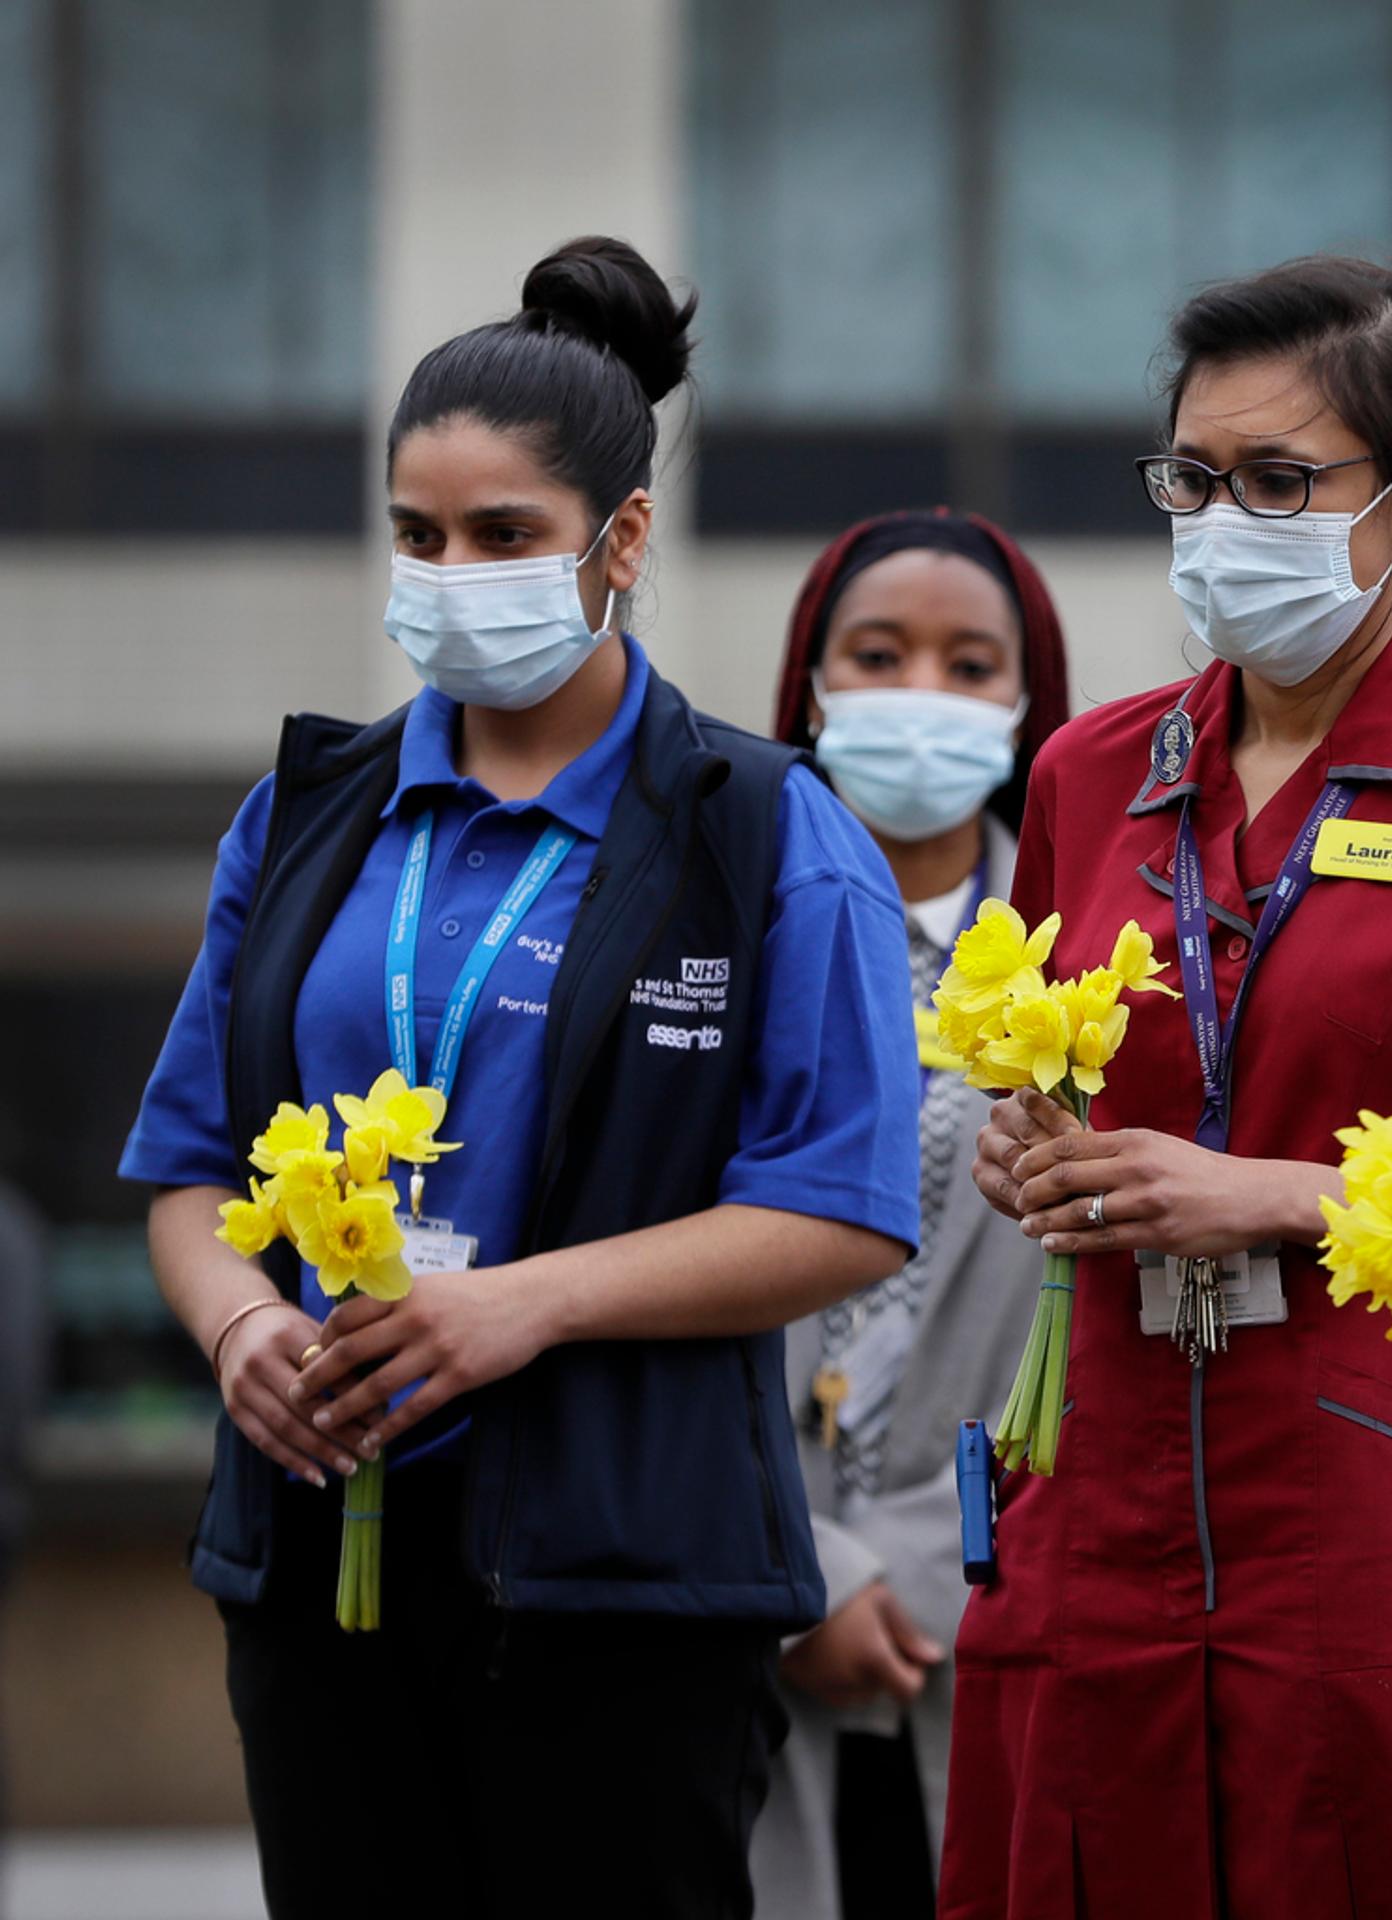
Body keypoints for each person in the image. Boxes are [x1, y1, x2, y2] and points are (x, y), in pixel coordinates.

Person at [115, 237, 923, 1920]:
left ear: (621, 540)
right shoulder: (305, 815)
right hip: (314, 1565)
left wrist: (522, 1308)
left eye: (501, 535)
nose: (449, 574)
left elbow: (843, 1208)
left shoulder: (768, 834)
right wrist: (243, 1327)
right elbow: (191, 1163)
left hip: (629, 1581)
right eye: (416, 535)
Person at [936, 255, 1392, 1920]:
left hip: (1351, 1506)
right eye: (1194, 481)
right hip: (1094, 1482)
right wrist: (1031, 1152)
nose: (1224, 523)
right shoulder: (1090, 774)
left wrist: (1284, 1196)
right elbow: (1051, 1073)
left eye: (1279, 483)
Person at [748, 511, 1070, 1920]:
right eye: (878, 657)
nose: (922, 693)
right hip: (743, 1595)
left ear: (1027, 703)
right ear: (812, 688)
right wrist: (798, 1570)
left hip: (993, 1611)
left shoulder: (1089, 960)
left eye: (969, 664)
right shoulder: (712, 940)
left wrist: (938, 1569)